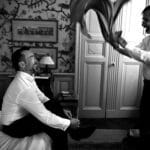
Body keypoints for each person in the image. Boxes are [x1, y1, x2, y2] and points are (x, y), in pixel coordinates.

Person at [1, 47, 95, 150]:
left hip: (21, 120)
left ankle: (75, 133)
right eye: (32, 57)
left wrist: (61, 111)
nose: (36, 60)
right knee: (56, 126)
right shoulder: (22, 86)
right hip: (14, 127)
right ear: (22, 64)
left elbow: (43, 98)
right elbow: (44, 115)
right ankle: (75, 133)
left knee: (53, 105)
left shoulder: (28, 79)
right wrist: (68, 123)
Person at [111, 5, 150, 149]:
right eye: (143, 19)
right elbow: (134, 53)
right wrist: (116, 46)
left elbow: (146, 57)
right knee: (145, 116)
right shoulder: (147, 40)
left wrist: (122, 42)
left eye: (146, 20)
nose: (143, 23)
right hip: (148, 85)